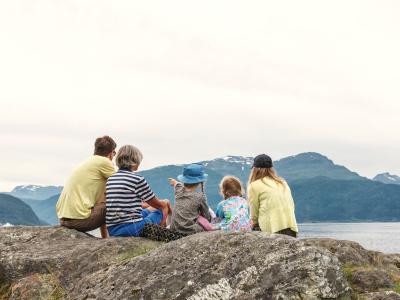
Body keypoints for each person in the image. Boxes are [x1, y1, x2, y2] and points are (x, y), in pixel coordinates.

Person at [106, 145, 183, 242]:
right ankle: (162, 236)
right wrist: (165, 204)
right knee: (164, 207)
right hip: (131, 228)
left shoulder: (111, 179)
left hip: (113, 229)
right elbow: (158, 205)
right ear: (134, 161)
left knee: (160, 204)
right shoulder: (137, 179)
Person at [56, 135, 117, 238]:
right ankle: (124, 234)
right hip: (78, 221)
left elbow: (103, 201)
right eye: (114, 153)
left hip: (63, 220)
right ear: (111, 153)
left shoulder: (88, 162)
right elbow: (122, 183)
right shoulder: (105, 162)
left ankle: (106, 238)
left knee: (106, 201)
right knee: (116, 203)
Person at [247, 154, 298, 237]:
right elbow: (291, 205)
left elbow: (254, 215)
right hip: (291, 228)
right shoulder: (282, 183)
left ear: (255, 169)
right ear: (271, 169)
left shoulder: (254, 186)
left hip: (271, 229)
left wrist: (253, 225)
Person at [169, 164, 212, 235]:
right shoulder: (200, 197)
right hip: (189, 231)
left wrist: (173, 181)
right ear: (199, 182)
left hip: (173, 229)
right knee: (204, 227)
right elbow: (207, 217)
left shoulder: (178, 190)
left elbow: (176, 184)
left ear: (184, 179)